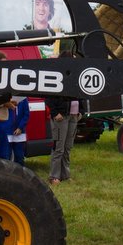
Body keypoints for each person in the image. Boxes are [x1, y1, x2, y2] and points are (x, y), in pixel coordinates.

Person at [46, 52, 81, 184]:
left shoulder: (74, 75)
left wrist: (81, 111)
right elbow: (48, 96)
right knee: (58, 147)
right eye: (72, 58)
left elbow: (81, 93)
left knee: (67, 147)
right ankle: (54, 176)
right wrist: (55, 113)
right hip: (61, 117)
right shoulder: (56, 76)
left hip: (74, 115)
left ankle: (65, 174)